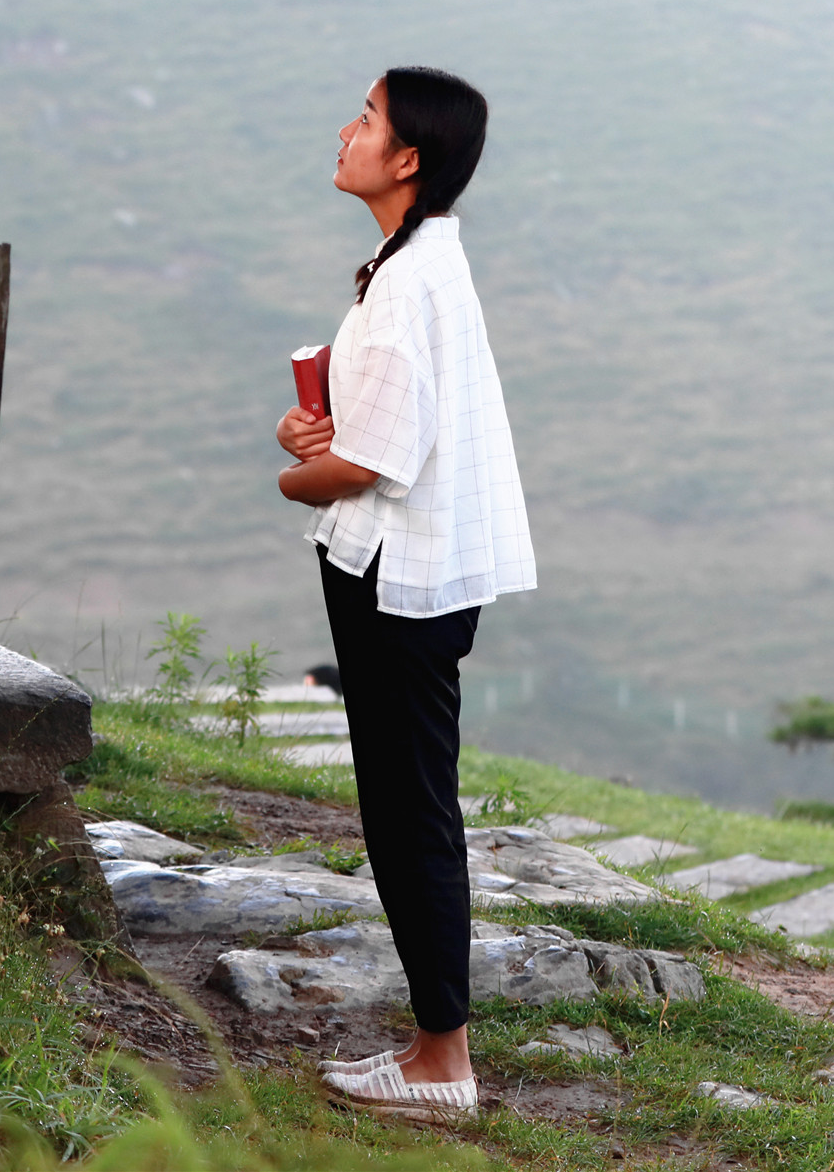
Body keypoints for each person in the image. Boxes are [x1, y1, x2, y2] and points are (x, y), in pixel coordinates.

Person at [275, 67, 535, 1117]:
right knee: (409, 801)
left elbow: (372, 458)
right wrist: (314, 424)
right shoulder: (421, 259)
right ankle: (438, 1047)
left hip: (396, 581)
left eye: (366, 117)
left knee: (407, 808)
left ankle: (441, 1060)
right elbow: (382, 422)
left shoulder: (402, 283)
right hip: (423, 574)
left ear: (408, 158)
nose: (345, 129)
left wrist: (294, 470)